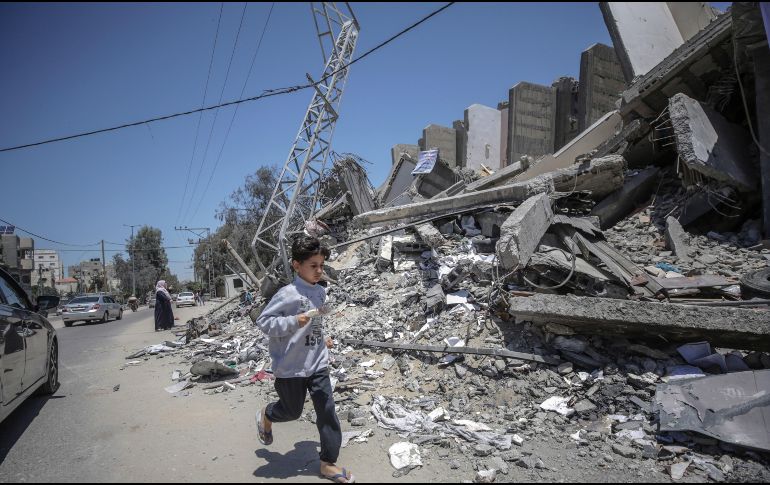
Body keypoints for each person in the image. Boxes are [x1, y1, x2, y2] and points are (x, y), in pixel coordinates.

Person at [255, 236, 353, 483]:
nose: (319, 270)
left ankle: (328, 463)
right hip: (291, 367)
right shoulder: (287, 294)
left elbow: (317, 319)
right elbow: (264, 322)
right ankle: (267, 415)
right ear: (297, 265)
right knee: (291, 411)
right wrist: (292, 322)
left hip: (317, 362)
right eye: (313, 265)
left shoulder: (320, 292)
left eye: (322, 265)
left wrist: (323, 338)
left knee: (327, 410)